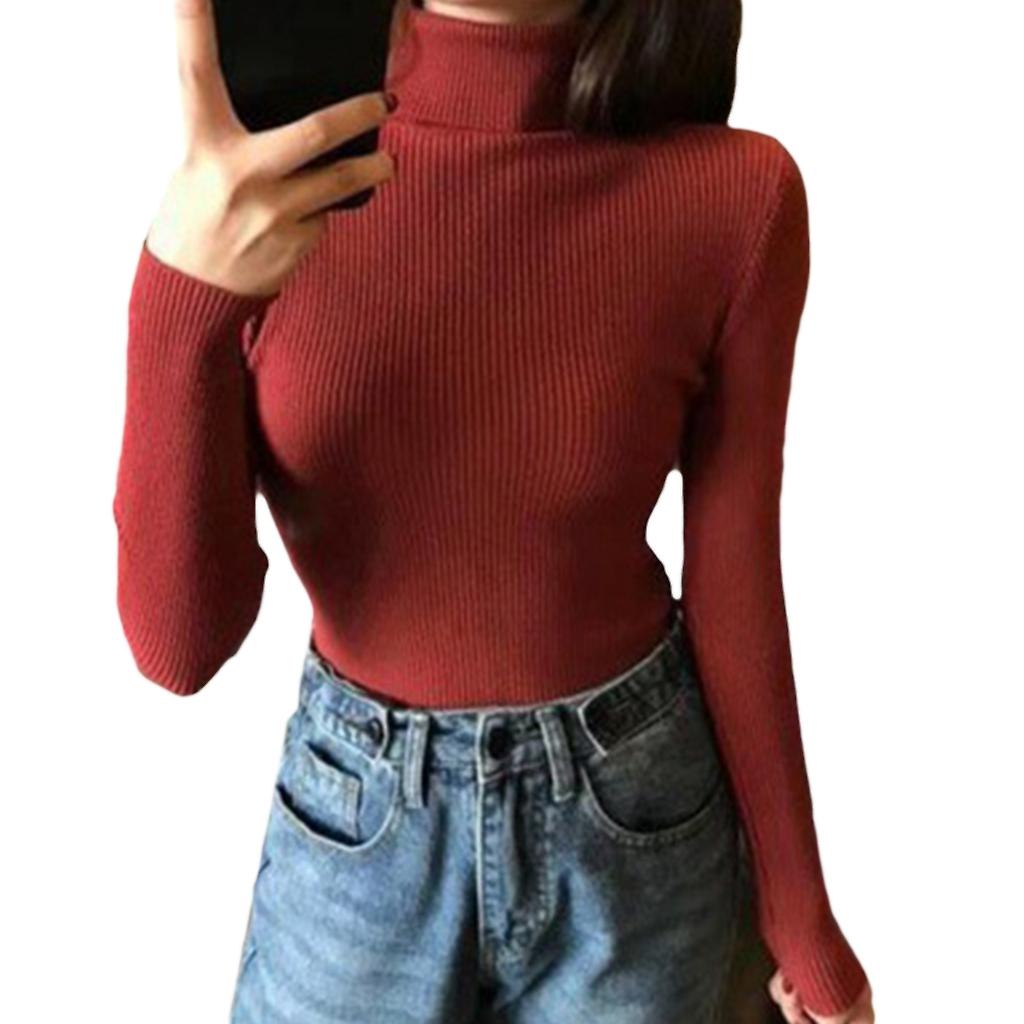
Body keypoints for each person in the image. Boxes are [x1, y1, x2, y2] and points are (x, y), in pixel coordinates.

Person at [112, 1, 874, 1021]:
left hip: (636, 830)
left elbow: (734, 579)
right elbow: (178, 647)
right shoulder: (268, 189)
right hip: (355, 834)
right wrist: (179, 303)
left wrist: (801, 914)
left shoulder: (735, 196)